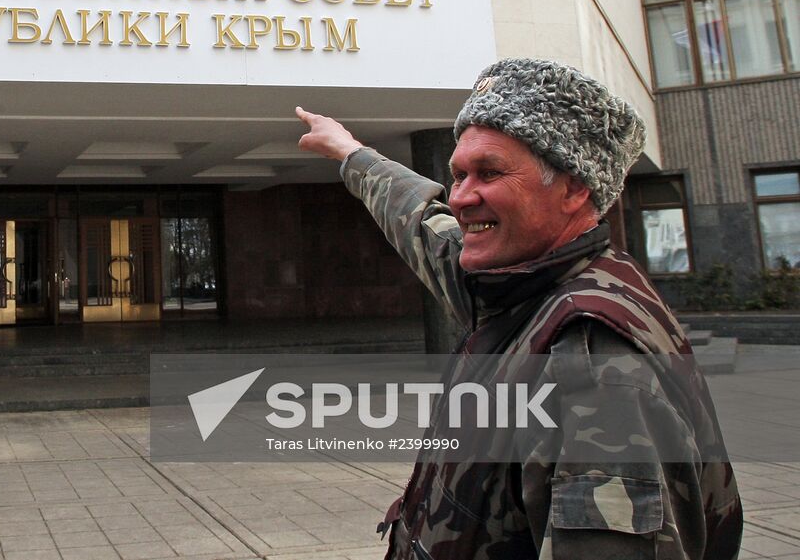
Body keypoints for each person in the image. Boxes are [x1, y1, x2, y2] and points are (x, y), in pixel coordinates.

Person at [295, 57, 742, 560]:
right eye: (458, 174)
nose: (461, 198)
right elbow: (423, 223)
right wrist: (351, 152)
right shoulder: (519, 284)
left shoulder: (594, 368)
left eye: (489, 173)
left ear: (575, 187)